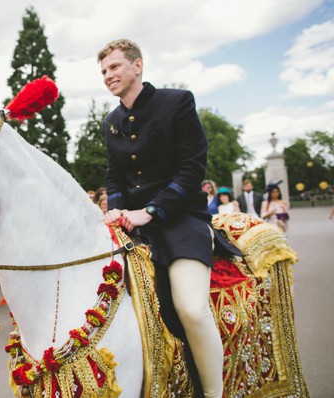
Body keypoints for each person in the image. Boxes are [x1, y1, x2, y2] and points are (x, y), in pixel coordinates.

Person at [98, 39, 234, 398]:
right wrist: (115, 207)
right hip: (132, 227)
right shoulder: (110, 121)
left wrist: (151, 211)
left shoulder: (177, 101)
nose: (107, 75)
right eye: (103, 71)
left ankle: (213, 393)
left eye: (114, 67)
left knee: (190, 308)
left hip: (181, 220)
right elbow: (114, 177)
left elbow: (192, 166)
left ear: (137, 66)